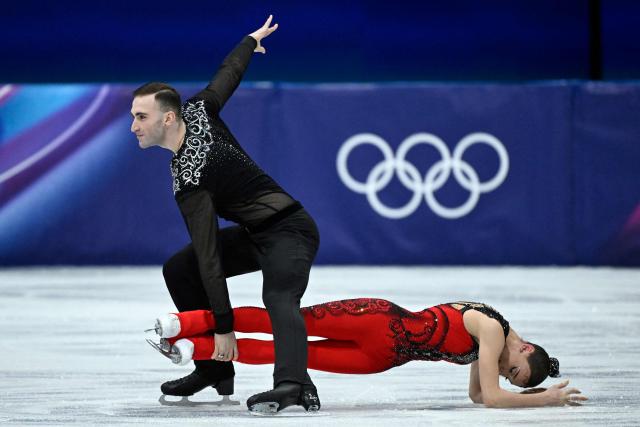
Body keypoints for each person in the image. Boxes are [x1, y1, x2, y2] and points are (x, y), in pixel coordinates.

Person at [130, 15, 321, 414]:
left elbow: (210, 256)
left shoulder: (190, 175)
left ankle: (293, 384)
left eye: (141, 117)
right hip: (256, 235)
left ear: (168, 117)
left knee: (278, 296)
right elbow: (227, 74)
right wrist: (249, 42)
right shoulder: (198, 113)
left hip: (290, 230)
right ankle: (214, 370)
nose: (133, 126)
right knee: (179, 269)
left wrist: (223, 326)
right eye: (133, 116)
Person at [148, 298, 588, 409]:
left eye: (509, 375)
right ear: (523, 347)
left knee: (290, 356)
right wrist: (546, 398)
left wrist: (534, 392)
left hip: (380, 360)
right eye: (512, 369)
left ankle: (196, 348)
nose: (502, 373)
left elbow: (479, 395)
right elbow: (492, 397)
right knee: (280, 321)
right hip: (373, 319)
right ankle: (185, 322)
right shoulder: (492, 329)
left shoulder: (496, 345)